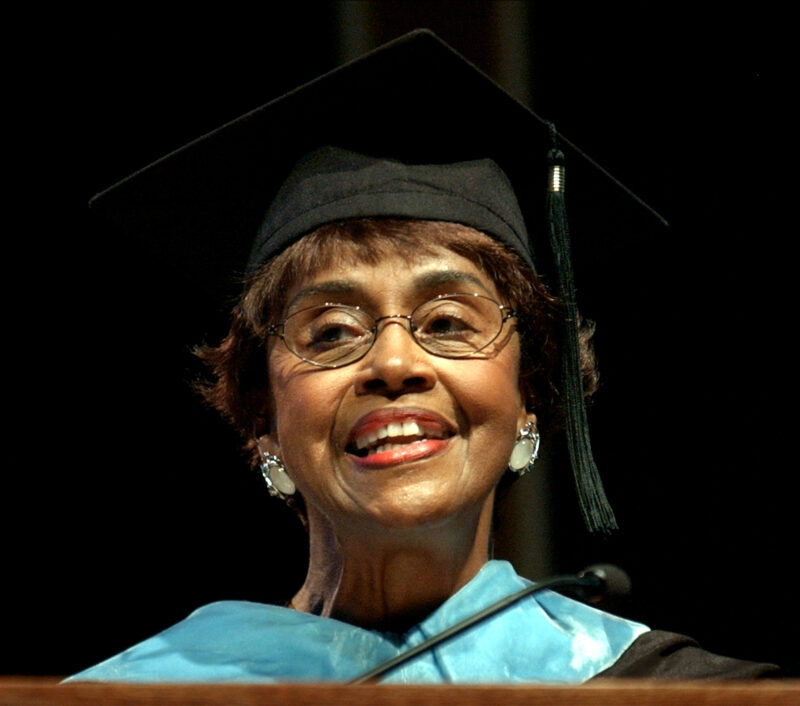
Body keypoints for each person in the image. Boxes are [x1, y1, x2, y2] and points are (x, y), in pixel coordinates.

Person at [69, 30, 779, 683]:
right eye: (331, 333)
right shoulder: (138, 696)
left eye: (448, 321)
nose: (395, 363)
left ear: (528, 394)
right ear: (262, 421)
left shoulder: (673, 692)